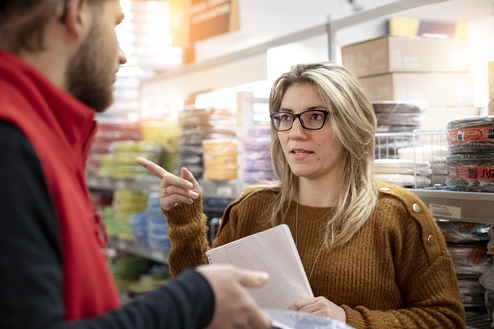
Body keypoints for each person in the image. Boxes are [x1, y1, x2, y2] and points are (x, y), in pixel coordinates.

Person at [0, 0, 273, 328]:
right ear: (77, 13)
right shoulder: (11, 143)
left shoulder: (38, 138)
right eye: (115, 25)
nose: (123, 55)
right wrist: (195, 299)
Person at [136, 62, 467, 328]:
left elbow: (445, 319)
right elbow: (204, 304)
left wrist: (349, 320)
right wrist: (185, 220)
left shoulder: (397, 215)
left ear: (352, 124)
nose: (295, 132)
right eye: (285, 117)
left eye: (314, 116)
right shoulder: (252, 210)